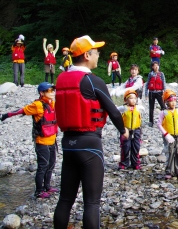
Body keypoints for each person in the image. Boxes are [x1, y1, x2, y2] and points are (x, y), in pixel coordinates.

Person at [53, 35, 129, 229]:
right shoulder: (93, 81)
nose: (98, 55)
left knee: (65, 200)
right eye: (96, 52)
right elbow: (112, 110)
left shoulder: (61, 78)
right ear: (86, 55)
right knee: (91, 203)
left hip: (67, 145)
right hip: (90, 145)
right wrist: (123, 130)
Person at [1, 82, 58, 199]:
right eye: (49, 91)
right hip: (41, 142)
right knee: (43, 166)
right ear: (42, 93)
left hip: (52, 140)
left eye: (53, 90)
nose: (52, 93)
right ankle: (39, 191)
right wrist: (6, 115)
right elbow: (22, 111)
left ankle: (47, 186)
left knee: (51, 164)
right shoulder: (37, 105)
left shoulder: (53, 104)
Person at [117, 90, 145, 170]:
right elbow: (115, 111)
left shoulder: (138, 108)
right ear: (126, 100)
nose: (133, 100)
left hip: (136, 130)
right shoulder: (123, 108)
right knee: (125, 146)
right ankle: (124, 163)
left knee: (136, 146)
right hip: (126, 130)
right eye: (131, 98)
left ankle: (135, 163)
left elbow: (143, 108)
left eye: (134, 98)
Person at [145, 61, 166, 127]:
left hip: (159, 92)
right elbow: (147, 84)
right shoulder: (150, 74)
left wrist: (165, 93)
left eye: (157, 65)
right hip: (151, 93)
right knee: (151, 108)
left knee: (163, 107)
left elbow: (164, 83)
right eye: (154, 66)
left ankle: (165, 119)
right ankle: (151, 122)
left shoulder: (161, 74)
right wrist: (146, 94)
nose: (156, 67)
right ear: (152, 67)